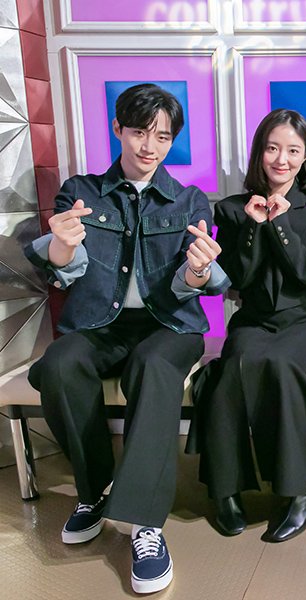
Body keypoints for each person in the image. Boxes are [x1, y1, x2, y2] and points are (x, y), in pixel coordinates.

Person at [24, 83, 228, 594]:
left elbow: (197, 282)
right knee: (59, 364)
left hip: (169, 326)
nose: (149, 146)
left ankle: (145, 524)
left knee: (154, 368)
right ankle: (93, 491)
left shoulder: (189, 200)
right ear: (118, 129)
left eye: (162, 137)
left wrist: (198, 272)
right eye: (139, 132)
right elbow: (65, 269)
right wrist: (60, 249)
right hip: (99, 324)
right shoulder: (82, 192)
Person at [191, 109, 306, 542]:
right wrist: (253, 228)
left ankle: (302, 488)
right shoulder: (232, 209)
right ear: (259, 153)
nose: (281, 159)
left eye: (292, 150)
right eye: (272, 148)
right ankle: (226, 489)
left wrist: (280, 224)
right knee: (232, 368)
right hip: (254, 319)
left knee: (282, 365)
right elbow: (237, 279)